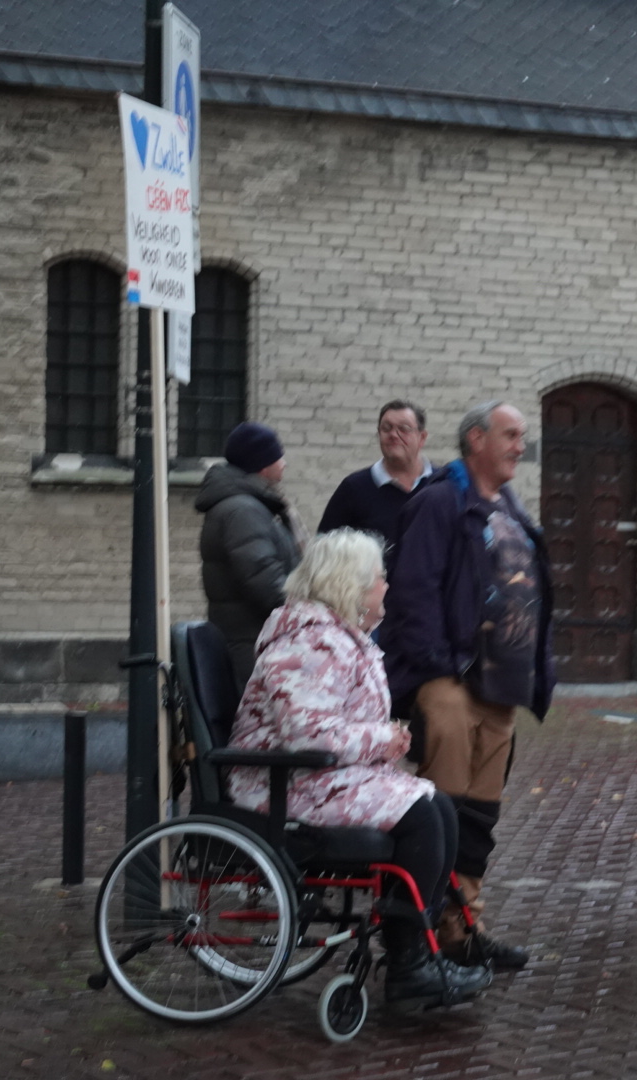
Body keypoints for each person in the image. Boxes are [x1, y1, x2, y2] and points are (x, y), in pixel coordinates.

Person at [225, 529, 491, 1013]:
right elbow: (306, 734)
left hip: (318, 778)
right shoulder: (308, 644)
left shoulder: (342, 639)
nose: (387, 587)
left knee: (437, 807)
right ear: (352, 585)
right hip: (281, 785)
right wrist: (381, 739)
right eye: (380, 578)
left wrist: (382, 740)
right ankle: (410, 965)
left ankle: (415, 949)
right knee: (423, 815)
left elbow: (335, 724)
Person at [380, 400, 555, 970]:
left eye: (522, 436)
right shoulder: (438, 502)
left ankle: (462, 928)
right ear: (475, 439)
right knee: (444, 808)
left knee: (479, 817)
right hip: (449, 684)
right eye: (510, 435)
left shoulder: (508, 504)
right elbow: (412, 593)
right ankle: (417, 934)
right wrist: (442, 666)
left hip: (500, 686)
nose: (519, 446)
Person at [196, 422, 303, 689]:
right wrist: (307, 617)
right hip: (251, 644)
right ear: (262, 464)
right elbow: (265, 580)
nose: (284, 463)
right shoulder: (244, 511)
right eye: (278, 456)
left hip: (257, 639)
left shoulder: (251, 506)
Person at [317, 400, 435, 552]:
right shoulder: (354, 488)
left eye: (404, 429)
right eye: (386, 428)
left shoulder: (441, 484)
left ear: (422, 437)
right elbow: (323, 548)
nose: (393, 434)